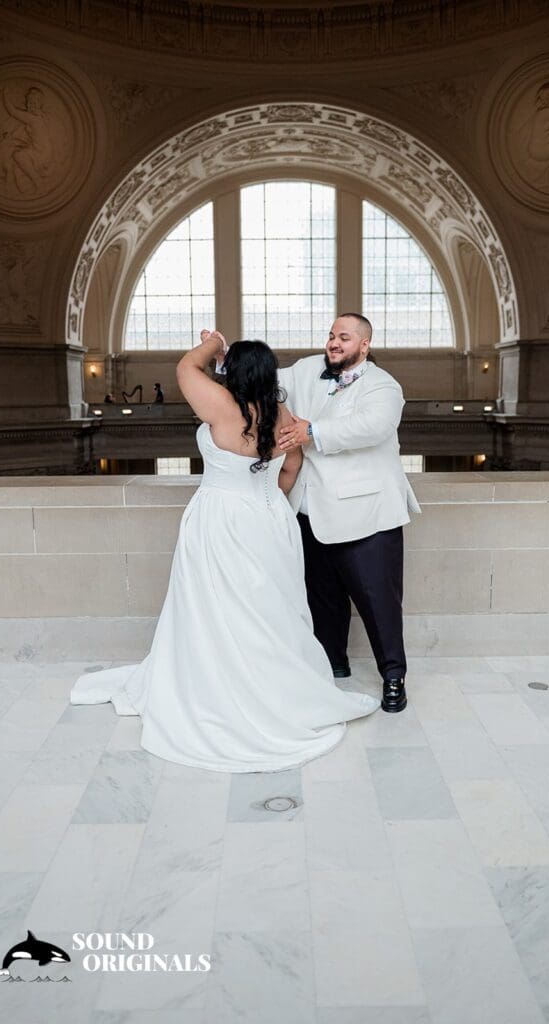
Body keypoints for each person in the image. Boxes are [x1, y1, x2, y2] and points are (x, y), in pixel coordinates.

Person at [70, 330, 379, 772]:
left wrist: (214, 343)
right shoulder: (282, 412)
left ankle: (216, 687)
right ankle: (272, 689)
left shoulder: (218, 404)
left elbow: (184, 368)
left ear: (232, 371)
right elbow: (292, 466)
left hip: (219, 518)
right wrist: (270, 501)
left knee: (214, 606)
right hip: (270, 519)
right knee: (268, 609)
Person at [274, 314, 421, 713]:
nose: (334, 342)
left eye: (344, 337)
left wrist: (313, 433)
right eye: (331, 335)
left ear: (364, 346)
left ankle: (394, 677)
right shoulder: (307, 370)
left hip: (368, 515)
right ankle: (332, 665)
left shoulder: (384, 386)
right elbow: (267, 379)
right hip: (309, 511)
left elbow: (373, 426)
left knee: (379, 603)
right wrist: (224, 359)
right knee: (322, 599)